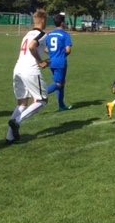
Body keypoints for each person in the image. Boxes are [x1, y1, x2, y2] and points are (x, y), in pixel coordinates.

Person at [6, 10, 52, 144]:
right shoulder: (42, 34)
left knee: (22, 103)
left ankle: (10, 137)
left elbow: (36, 47)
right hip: (30, 70)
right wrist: (41, 62)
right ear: (43, 20)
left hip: (18, 69)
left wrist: (50, 54)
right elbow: (32, 47)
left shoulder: (28, 34)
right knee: (42, 100)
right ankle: (17, 121)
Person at [46, 14, 73, 111]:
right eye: (65, 22)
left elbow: (45, 48)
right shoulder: (65, 35)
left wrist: (53, 53)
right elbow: (68, 50)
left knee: (61, 82)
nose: (65, 24)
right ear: (62, 23)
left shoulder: (49, 35)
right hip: (61, 62)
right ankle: (41, 94)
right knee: (59, 84)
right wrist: (60, 54)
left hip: (51, 62)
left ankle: (61, 106)